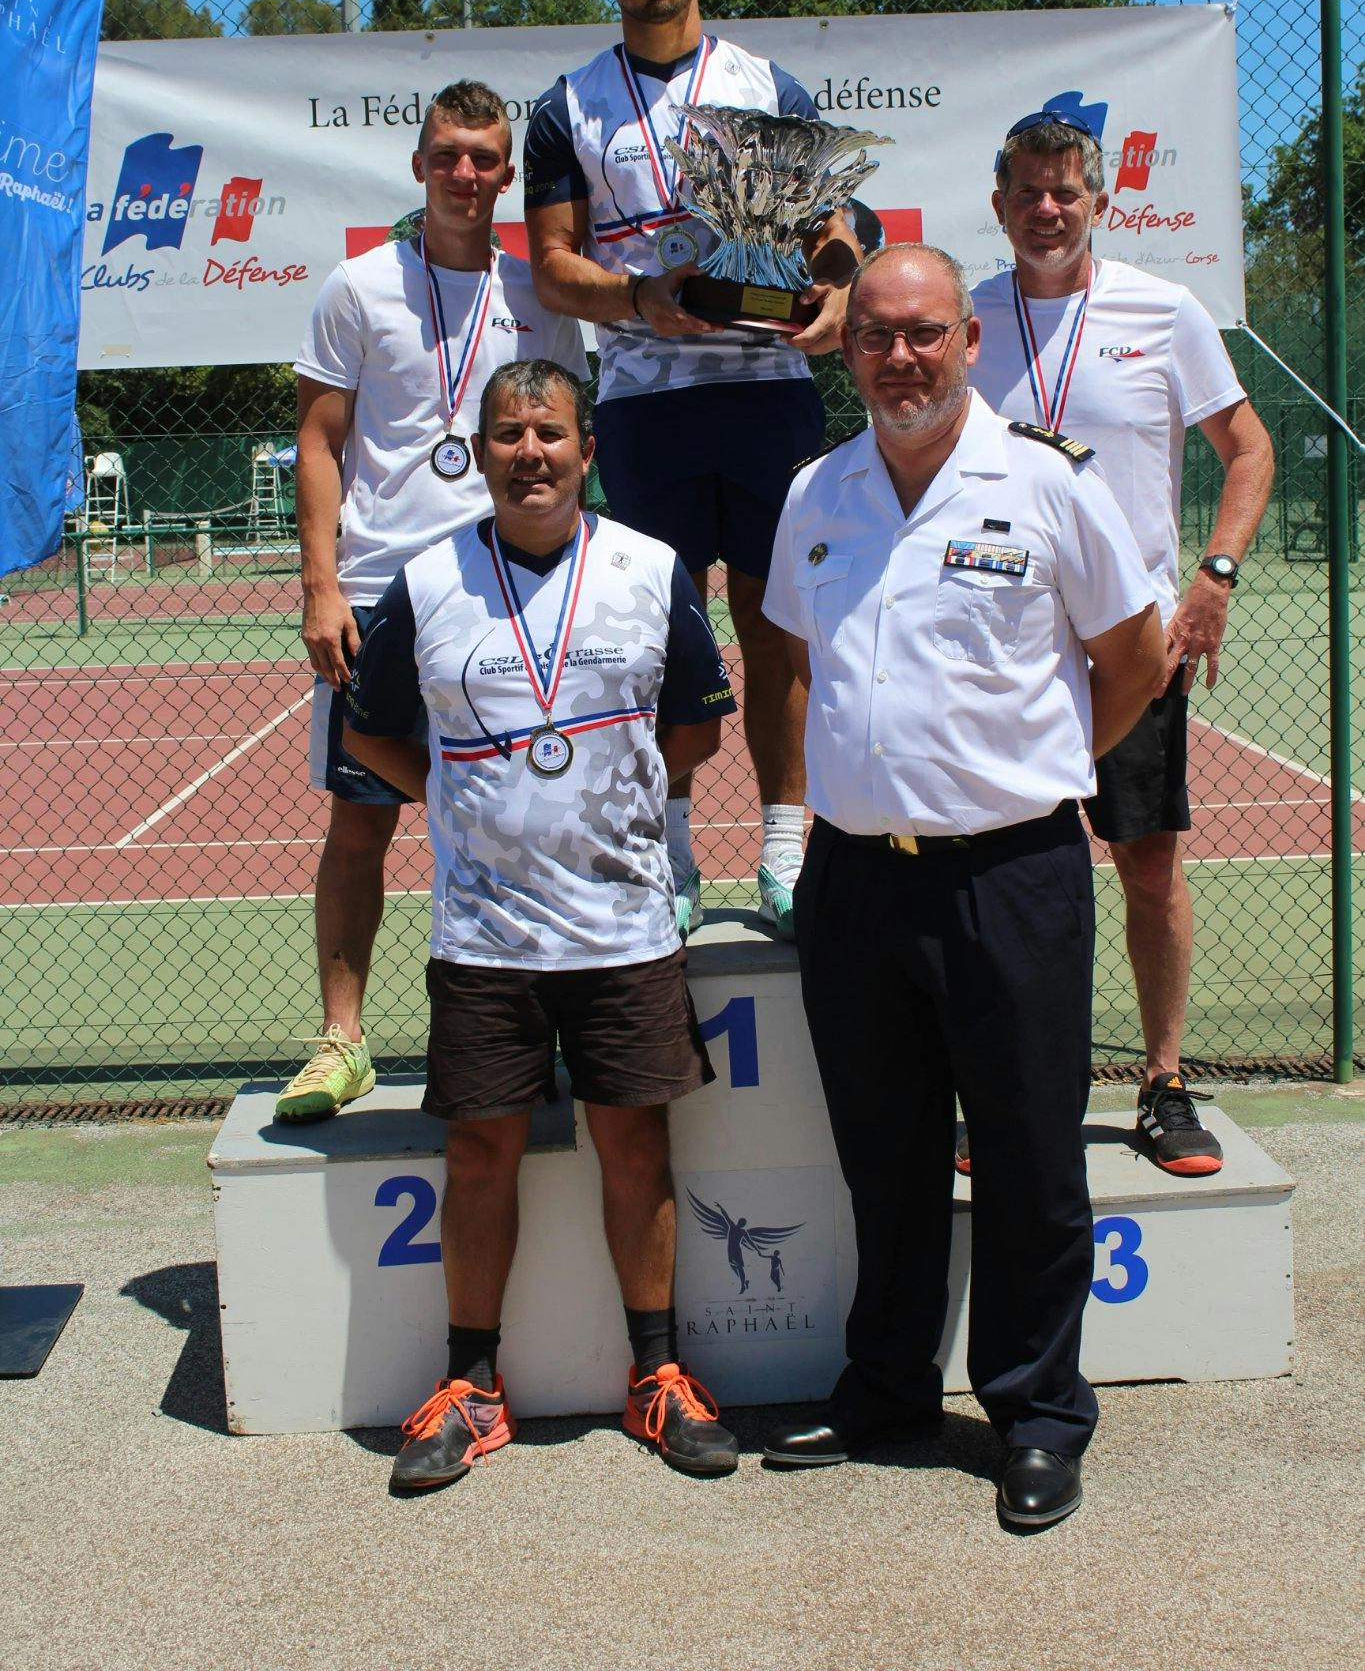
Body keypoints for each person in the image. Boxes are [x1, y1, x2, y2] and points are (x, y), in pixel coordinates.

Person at [760, 243, 1165, 1532]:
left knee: (1035, 1161)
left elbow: (1135, 654)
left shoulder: (1043, 484)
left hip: (1014, 875)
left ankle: (1039, 1415)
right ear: (848, 348)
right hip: (856, 881)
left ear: (969, 341)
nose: (900, 357)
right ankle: (886, 1390)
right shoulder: (815, 492)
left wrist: (1043, 767)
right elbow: (786, 659)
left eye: (925, 333)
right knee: (883, 1159)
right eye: (875, 335)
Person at [342, 358, 742, 1489]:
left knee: (635, 1144)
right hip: (485, 936)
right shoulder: (425, 581)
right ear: (481, 449)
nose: (531, 453)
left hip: (621, 924)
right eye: (510, 433)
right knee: (477, 1151)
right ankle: (471, 1385)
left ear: (586, 451)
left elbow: (697, 731)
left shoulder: (651, 569)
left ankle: (657, 1375)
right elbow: (369, 732)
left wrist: (594, 810)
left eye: (551, 433)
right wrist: (468, 803)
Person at [523, 0, 859, 941]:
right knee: (658, 639)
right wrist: (637, 299)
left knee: (776, 633)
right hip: (644, 399)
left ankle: (781, 848)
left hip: (766, 391)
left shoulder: (768, 86)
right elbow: (551, 267)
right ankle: (667, 851)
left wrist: (842, 287)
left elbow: (834, 223)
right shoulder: (567, 106)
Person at [970, 108, 1275, 1175]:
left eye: (1068, 189)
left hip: (1131, 643)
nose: (1048, 208)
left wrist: (1217, 572)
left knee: (1147, 861)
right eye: (1029, 191)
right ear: (1000, 203)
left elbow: (1248, 449)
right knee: (999, 868)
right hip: (1004, 644)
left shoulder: (1166, 308)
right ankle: (1012, 1085)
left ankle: (1162, 1078)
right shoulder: (965, 324)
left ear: (1098, 198)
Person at [276, 82, 586, 1123]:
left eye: (485, 157)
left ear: (508, 174)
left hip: (504, 589)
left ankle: (524, 1034)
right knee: (361, 822)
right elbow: (320, 443)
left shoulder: (539, 293)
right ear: (419, 165)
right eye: (448, 153)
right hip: (378, 592)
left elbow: (567, 440)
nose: (466, 173)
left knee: (515, 821)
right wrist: (320, 585)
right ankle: (343, 1039)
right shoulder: (358, 287)